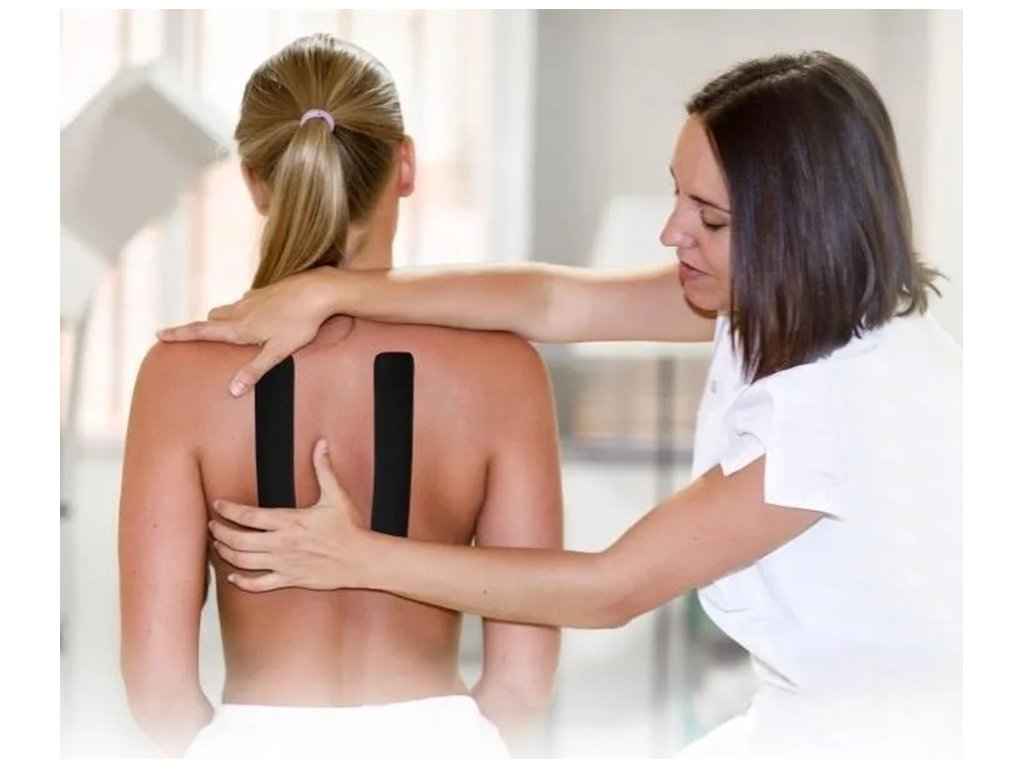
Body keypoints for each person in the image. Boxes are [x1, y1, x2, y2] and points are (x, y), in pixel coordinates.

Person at [162, 50, 962, 757]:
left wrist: (354, 556)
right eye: (677, 195)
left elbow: (610, 590)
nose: (670, 232)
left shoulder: (839, 408)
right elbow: (557, 302)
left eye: (710, 219)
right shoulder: (820, 300)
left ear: (798, 232)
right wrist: (334, 290)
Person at [118, 33, 562, 759]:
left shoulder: (180, 375)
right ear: (405, 165)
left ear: (256, 179)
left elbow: (158, 691)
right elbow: (522, 685)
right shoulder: (505, 371)